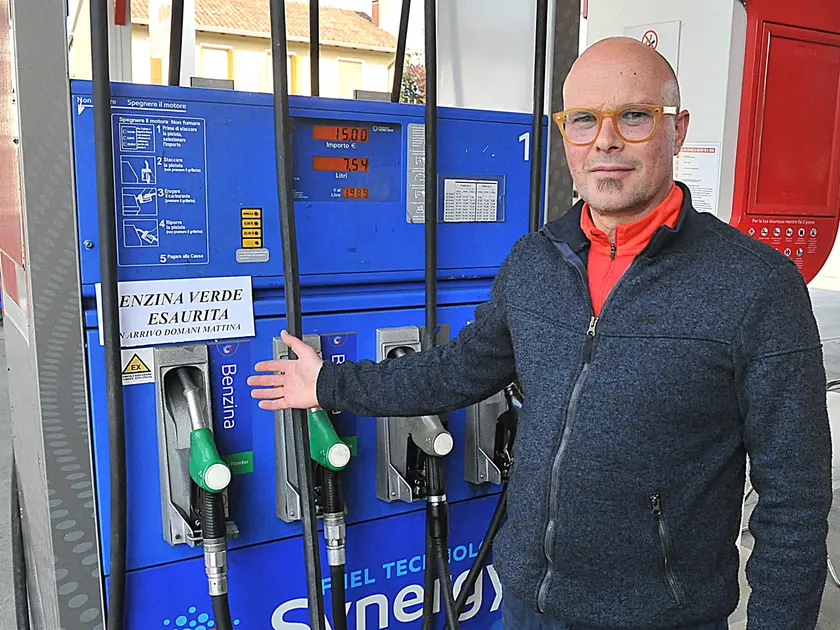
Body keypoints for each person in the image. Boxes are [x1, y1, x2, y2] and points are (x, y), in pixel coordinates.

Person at [248, 37, 832, 629]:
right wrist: (330, 385)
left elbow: (795, 501)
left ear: (676, 130)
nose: (605, 140)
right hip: (528, 603)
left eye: (634, 115)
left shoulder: (755, 285)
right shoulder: (535, 262)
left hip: (662, 617)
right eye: (583, 120)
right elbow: (454, 370)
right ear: (564, 135)